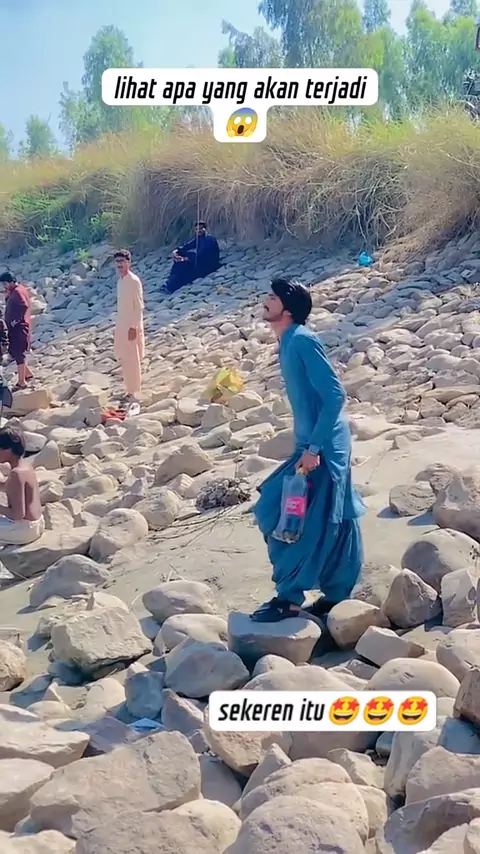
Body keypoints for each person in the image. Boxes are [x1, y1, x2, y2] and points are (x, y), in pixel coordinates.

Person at [250, 277, 366, 623]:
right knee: (336, 514)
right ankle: (337, 594)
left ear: (287, 309)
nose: (266, 300)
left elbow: (335, 395)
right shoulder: (287, 340)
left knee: (283, 513)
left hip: (324, 446)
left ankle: (289, 598)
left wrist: (314, 448)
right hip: (316, 442)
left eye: (273, 297)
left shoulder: (302, 340)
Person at [0, 426, 44, 545]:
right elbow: (11, 488)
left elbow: (18, 515)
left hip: (25, 530)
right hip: (37, 524)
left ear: (8, 449)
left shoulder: (17, 473)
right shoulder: (25, 466)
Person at [113, 249, 145, 405]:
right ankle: (128, 389)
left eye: (122, 261)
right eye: (117, 262)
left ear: (129, 262)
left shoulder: (134, 281)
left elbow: (138, 306)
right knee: (125, 358)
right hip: (122, 323)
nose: (119, 265)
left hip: (132, 325)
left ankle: (134, 391)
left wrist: (134, 327)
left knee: (133, 358)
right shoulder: (121, 281)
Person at [162, 221, 220, 294]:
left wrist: (185, 259)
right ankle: (169, 283)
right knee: (179, 262)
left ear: (205, 229)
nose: (199, 231)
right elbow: (186, 247)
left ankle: (170, 287)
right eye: (197, 229)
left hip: (208, 266)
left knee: (184, 269)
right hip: (199, 262)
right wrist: (176, 252)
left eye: (201, 228)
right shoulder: (199, 239)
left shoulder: (209, 240)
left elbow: (203, 256)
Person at [0, 272, 33, 390]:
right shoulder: (15, 291)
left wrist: (16, 320)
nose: (4, 286)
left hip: (20, 327)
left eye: (5, 284)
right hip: (15, 328)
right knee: (13, 351)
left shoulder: (18, 292)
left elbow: (24, 306)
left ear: (11, 282)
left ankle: (21, 382)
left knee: (19, 353)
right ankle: (27, 373)